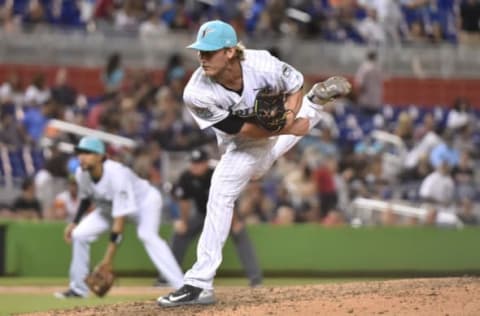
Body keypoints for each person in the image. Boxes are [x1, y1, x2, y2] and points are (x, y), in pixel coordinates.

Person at [157, 20, 351, 307]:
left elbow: (294, 84)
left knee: (221, 189)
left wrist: (287, 117)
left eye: (209, 52)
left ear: (231, 51)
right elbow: (242, 130)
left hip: (260, 136)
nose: (202, 57)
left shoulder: (262, 64)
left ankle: (198, 284)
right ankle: (315, 104)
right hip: (239, 139)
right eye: (200, 51)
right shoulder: (196, 92)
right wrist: (289, 127)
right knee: (259, 165)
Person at [54, 136, 183, 298]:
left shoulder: (116, 175)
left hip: (144, 203)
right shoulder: (81, 173)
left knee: (147, 235)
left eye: (88, 153)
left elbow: (119, 221)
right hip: (108, 209)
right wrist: (74, 222)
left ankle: (181, 285)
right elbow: (86, 198)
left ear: (101, 156)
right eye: (80, 152)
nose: (82, 156)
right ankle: (78, 289)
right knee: (79, 234)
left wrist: (108, 260)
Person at [159, 149, 262, 287]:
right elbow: (184, 202)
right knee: (179, 234)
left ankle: (255, 279)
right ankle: (166, 278)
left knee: (240, 234)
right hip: (202, 215)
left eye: (199, 163)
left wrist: (235, 222)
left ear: (206, 163)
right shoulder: (186, 177)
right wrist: (183, 222)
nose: (195, 166)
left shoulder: (218, 173)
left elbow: (228, 199)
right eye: (193, 163)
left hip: (225, 213)